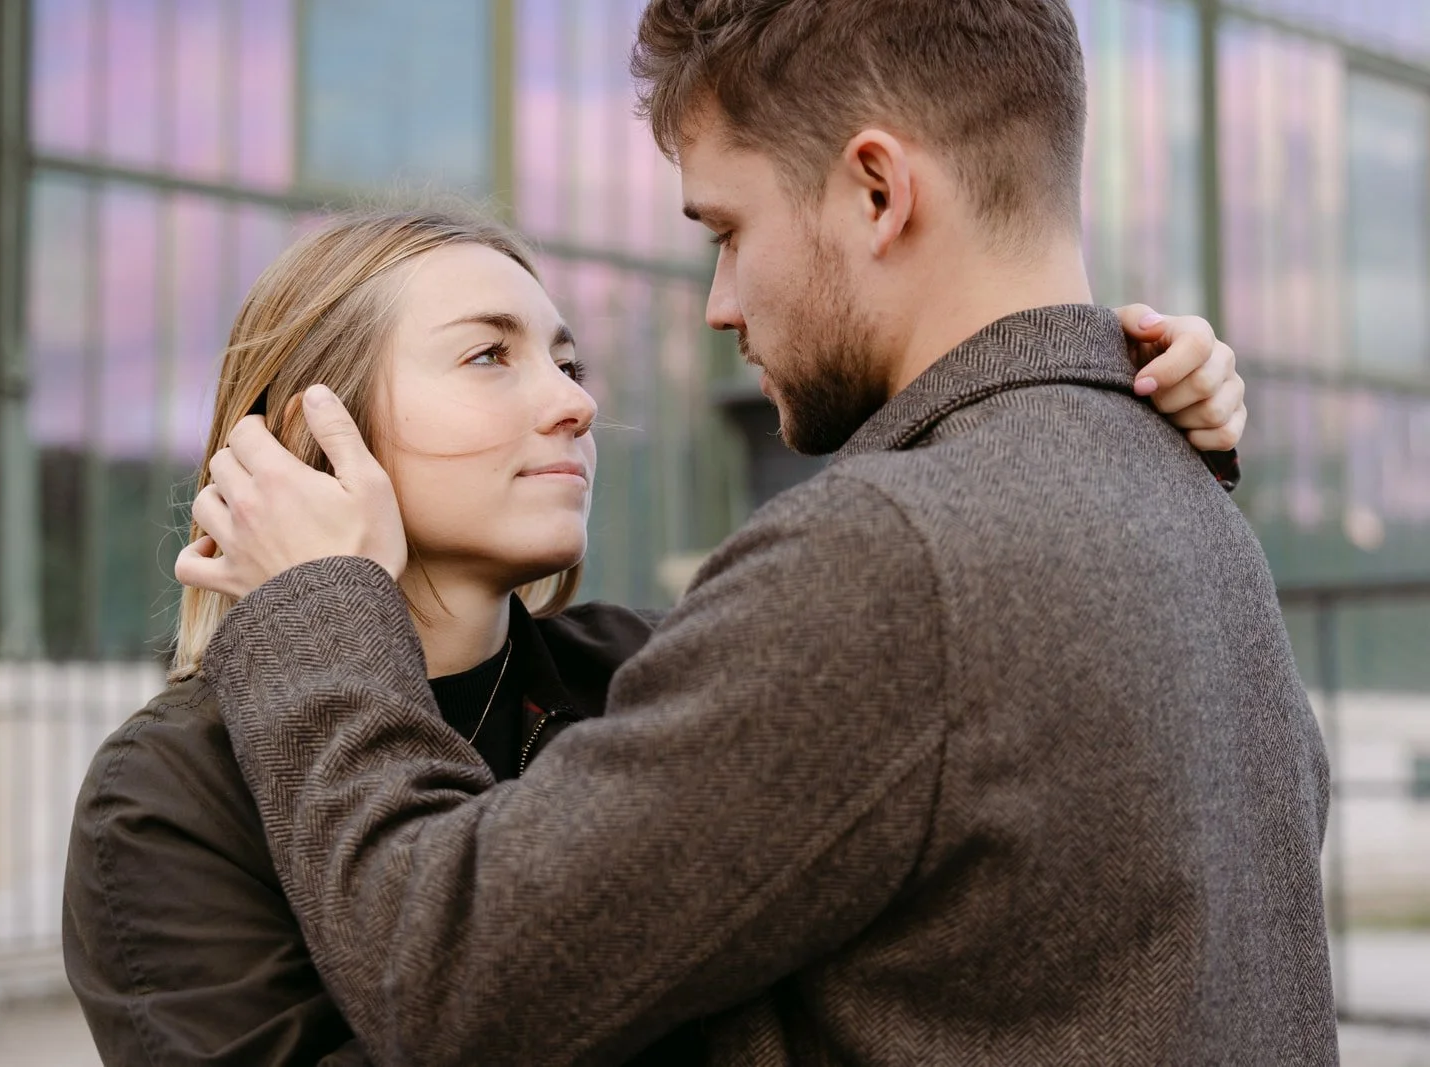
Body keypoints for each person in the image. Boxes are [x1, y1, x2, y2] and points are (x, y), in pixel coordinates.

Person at [176, 1, 1335, 1065]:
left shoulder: (887, 558)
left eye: (727, 229)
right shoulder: (1186, 497)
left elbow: (448, 977)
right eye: (489, 355)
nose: (720, 300)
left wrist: (322, 601)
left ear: (877, 191)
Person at [63, 205, 1247, 1063]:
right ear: (309, 439)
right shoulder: (168, 795)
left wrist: (1123, 443)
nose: (575, 400)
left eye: (567, 359)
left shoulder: (649, 667)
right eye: (490, 355)